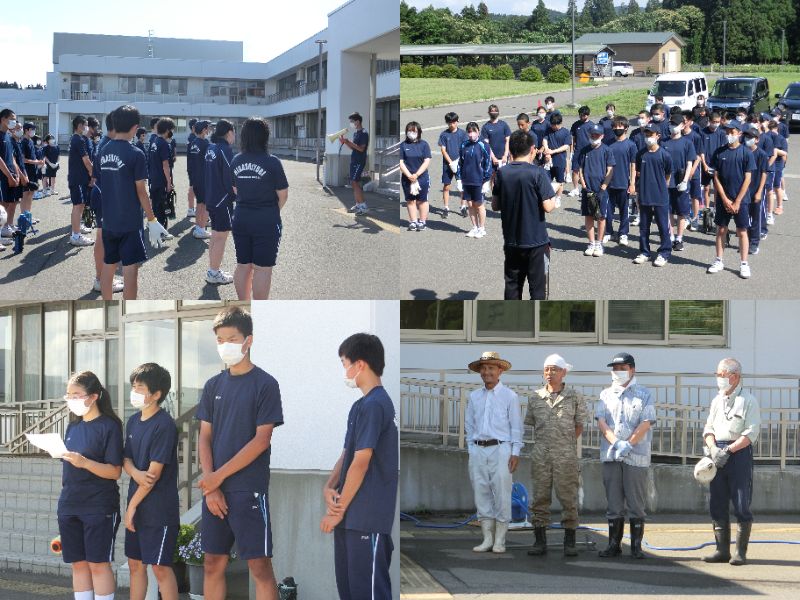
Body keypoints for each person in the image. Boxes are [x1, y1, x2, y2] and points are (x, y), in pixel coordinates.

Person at [195, 306, 284, 600]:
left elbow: (261, 440)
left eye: (232, 339)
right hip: (215, 491)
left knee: (259, 566)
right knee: (212, 563)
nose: (225, 346)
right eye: (220, 340)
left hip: (248, 490)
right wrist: (211, 486)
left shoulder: (266, 384)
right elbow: (204, 437)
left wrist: (216, 478)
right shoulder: (212, 386)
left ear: (249, 341)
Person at [320, 333, 398, 600]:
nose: (345, 370)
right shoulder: (359, 406)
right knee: (349, 591)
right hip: (350, 518)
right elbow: (348, 456)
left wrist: (337, 511)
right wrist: (329, 486)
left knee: (369, 593)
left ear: (360, 364)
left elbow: (362, 462)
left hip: (368, 519)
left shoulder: (377, 404)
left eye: (345, 363)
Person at [58, 370, 124, 600]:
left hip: (99, 505)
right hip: (70, 502)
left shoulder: (110, 426)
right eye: (68, 395)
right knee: (78, 563)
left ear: (93, 396)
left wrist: (84, 462)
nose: (71, 399)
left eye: (76, 394)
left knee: (98, 563)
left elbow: (115, 471)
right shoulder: (73, 427)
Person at [98, 104, 169, 300]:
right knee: (130, 270)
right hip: (130, 221)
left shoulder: (103, 150)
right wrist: (152, 219)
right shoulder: (136, 153)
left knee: (108, 264)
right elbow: (141, 191)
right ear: (135, 127)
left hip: (109, 220)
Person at [123, 363, 179, 600]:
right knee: (135, 564)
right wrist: (135, 473)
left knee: (160, 567)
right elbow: (126, 458)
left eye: (140, 387)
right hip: (137, 501)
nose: (135, 391)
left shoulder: (164, 425)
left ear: (156, 394)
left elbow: (153, 476)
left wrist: (132, 506)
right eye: (133, 386)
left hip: (158, 509)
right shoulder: (133, 421)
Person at [525, 354, 587, 558]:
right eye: (547, 369)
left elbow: (579, 425)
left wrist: (565, 443)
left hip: (565, 456)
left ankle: (569, 541)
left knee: (568, 497)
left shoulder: (574, 396)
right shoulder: (534, 397)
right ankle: (539, 540)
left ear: (563, 372)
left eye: (554, 369)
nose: (550, 373)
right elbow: (532, 423)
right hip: (541, 454)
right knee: (540, 498)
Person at [595, 353, 655, 560]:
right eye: (615, 368)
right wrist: (616, 442)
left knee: (636, 503)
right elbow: (601, 422)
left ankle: (637, 546)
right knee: (613, 502)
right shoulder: (605, 394)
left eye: (622, 368)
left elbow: (646, 422)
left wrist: (629, 443)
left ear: (632, 370)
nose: (617, 372)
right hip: (612, 454)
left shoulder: (644, 394)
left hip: (636, 456)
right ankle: (614, 544)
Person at [701, 358, 761, 566]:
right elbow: (708, 429)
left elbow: (750, 433)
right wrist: (714, 448)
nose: (718, 379)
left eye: (721, 375)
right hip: (718, 453)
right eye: (718, 375)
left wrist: (728, 450)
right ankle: (721, 550)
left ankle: (740, 552)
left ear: (734, 376)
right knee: (716, 501)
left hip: (739, 454)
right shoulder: (717, 400)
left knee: (741, 501)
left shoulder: (748, 400)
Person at [465, 351, 523, 554]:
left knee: (501, 493)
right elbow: (469, 425)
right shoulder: (474, 396)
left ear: (500, 371)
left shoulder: (510, 396)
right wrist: (471, 448)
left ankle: (500, 539)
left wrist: (515, 452)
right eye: (484, 368)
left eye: (491, 368)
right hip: (478, 449)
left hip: (501, 448)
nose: (487, 372)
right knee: (481, 492)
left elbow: (516, 427)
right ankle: (487, 538)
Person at [491, 129, 555, 299]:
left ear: (510, 150)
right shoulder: (537, 173)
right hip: (536, 242)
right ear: (533, 149)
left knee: (513, 286)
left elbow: (495, 205)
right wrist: (556, 193)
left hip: (512, 240)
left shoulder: (502, 173)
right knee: (538, 289)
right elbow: (548, 206)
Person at [230, 117, 289, 300]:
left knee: (243, 265)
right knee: (263, 268)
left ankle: (244, 305)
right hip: (266, 219)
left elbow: (235, 189)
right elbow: (283, 194)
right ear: (265, 137)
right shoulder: (272, 162)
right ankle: (260, 308)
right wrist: (272, 210)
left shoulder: (236, 160)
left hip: (240, 217)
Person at [707, 120, 754, 279]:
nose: (729, 135)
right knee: (721, 230)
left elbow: (748, 179)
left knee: (742, 231)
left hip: (741, 200)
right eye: (727, 132)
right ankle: (719, 260)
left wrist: (737, 201)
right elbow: (716, 177)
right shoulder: (719, 152)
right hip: (723, 200)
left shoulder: (746, 153)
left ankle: (744, 263)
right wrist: (725, 199)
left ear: (739, 133)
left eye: (732, 132)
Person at [90, 113, 124, 295]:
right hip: (105, 196)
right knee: (104, 238)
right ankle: (101, 280)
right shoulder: (109, 146)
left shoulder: (104, 143)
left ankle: (102, 278)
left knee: (103, 237)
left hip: (102, 193)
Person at [633, 123, 673, 267]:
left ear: (658, 136)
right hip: (644, 196)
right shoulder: (640, 154)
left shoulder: (664, 155)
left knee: (663, 226)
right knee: (644, 227)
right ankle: (644, 252)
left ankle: (664, 252)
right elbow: (638, 174)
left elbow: (668, 174)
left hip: (660, 196)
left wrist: (662, 186)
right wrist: (637, 193)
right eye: (646, 134)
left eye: (651, 135)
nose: (648, 137)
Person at [204, 119, 236, 285]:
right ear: (229, 132)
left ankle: (212, 270)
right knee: (221, 238)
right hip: (222, 200)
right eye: (234, 132)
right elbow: (231, 179)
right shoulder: (225, 150)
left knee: (216, 236)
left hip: (211, 198)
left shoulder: (211, 148)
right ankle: (214, 273)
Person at [577, 124, 615, 257]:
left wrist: (604, 186)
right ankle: (591, 242)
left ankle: (599, 243)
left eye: (596, 135)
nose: (594, 137)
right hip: (587, 189)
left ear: (602, 136)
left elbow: (610, 170)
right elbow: (580, 169)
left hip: (601, 190)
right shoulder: (584, 150)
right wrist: (583, 184)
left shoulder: (607, 150)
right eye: (592, 135)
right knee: (588, 216)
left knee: (601, 216)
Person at [661, 113, 696, 252]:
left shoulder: (687, 143)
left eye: (675, 124)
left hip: (680, 181)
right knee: (668, 210)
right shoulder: (663, 142)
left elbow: (689, 163)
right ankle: (670, 236)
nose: (672, 127)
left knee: (681, 212)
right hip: (666, 182)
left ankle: (679, 238)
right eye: (671, 124)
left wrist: (686, 180)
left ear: (682, 125)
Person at [605, 116, 637, 246]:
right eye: (615, 127)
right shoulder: (607, 143)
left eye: (620, 126)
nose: (617, 129)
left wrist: (632, 183)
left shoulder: (631, 145)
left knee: (624, 211)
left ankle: (623, 233)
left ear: (626, 128)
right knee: (607, 210)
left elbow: (633, 165)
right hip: (608, 183)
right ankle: (608, 232)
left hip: (624, 183)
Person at [457, 121, 492, 238]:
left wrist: (486, 180)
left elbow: (488, 163)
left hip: (479, 180)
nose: (471, 134)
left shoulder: (483, 145)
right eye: (469, 132)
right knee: (470, 204)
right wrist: (459, 179)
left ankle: (482, 228)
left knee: (479, 204)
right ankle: (474, 227)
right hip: (466, 180)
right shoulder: (463, 145)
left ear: (478, 132)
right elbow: (460, 163)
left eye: (473, 132)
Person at [68, 115, 95, 246]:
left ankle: (78, 228)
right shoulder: (78, 140)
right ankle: (76, 236)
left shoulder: (77, 139)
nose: (87, 128)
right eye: (85, 125)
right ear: (79, 126)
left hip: (80, 178)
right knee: (78, 206)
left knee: (80, 205)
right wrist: (93, 175)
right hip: (78, 179)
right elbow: (86, 161)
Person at [400, 121, 432, 231]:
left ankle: (422, 221)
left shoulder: (424, 144)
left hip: (422, 177)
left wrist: (416, 174)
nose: (411, 133)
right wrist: (409, 175)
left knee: (422, 200)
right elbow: (401, 162)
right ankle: (413, 221)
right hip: (407, 178)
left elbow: (427, 161)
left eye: (414, 131)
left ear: (419, 132)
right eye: (409, 131)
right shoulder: (403, 145)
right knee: (410, 200)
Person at [743, 126, 768, 258]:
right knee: (745, 218)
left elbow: (764, 174)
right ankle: (746, 240)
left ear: (757, 140)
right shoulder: (743, 152)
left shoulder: (762, 154)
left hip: (756, 190)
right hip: (744, 191)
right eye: (746, 137)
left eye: (750, 137)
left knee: (756, 218)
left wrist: (759, 191)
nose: (747, 140)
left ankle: (754, 243)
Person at [438, 112, 468, 218]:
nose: (452, 125)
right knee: (446, 186)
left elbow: (465, 148)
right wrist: (450, 162)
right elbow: (443, 150)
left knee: (462, 186)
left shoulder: (463, 134)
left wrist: (459, 161)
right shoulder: (444, 135)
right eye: (450, 123)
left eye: (454, 122)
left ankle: (463, 206)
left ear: (457, 121)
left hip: (460, 163)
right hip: (448, 164)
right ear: (447, 123)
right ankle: (446, 207)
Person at [147, 118, 175, 234]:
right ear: (167, 129)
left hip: (153, 179)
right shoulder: (163, 144)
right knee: (162, 207)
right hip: (161, 181)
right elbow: (165, 165)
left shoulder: (154, 141)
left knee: (156, 206)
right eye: (171, 129)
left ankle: (154, 229)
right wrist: (169, 183)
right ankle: (161, 232)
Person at [341, 112, 369, 215]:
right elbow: (353, 147)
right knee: (353, 183)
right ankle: (358, 204)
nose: (351, 123)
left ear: (358, 121)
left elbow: (361, 149)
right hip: (354, 160)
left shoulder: (364, 133)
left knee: (355, 182)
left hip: (359, 161)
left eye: (352, 121)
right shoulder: (356, 133)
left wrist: (348, 142)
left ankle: (363, 206)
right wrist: (345, 142)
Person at [0, 109, 21, 244]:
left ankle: (4, 231)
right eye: (12, 118)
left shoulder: (7, 135)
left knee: (7, 203)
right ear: (3, 118)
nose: (14, 121)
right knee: (1, 206)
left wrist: (17, 174)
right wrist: (9, 175)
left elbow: (12, 157)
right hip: (2, 176)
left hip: (11, 175)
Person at [188, 120, 212, 239]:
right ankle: (201, 229)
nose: (209, 131)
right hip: (204, 178)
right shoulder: (205, 144)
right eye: (208, 129)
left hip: (195, 178)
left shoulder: (192, 143)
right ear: (203, 130)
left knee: (200, 204)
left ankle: (199, 227)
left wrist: (191, 178)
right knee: (205, 205)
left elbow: (189, 163)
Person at [682, 110, 705, 232]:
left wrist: (692, 171)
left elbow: (699, 156)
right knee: (683, 195)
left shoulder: (695, 137)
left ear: (690, 122)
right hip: (682, 171)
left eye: (684, 121)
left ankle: (695, 218)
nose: (682, 123)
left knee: (695, 196)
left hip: (694, 172)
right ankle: (685, 217)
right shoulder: (678, 135)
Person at [542, 113, 571, 208]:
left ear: (560, 123)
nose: (554, 127)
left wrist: (553, 151)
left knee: (560, 181)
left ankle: (558, 197)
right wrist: (546, 150)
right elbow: (545, 140)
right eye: (552, 125)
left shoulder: (566, 132)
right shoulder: (548, 130)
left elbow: (566, 146)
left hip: (560, 160)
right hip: (548, 160)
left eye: (556, 125)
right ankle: (549, 197)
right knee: (546, 180)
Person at [480, 104, 511, 184]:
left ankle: (503, 195)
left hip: (504, 157)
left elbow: (508, 140)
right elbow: (486, 144)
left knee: (505, 178)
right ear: (488, 112)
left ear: (498, 112)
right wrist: (493, 157)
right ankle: (493, 196)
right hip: (492, 158)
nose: (493, 112)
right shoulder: (486, 127)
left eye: (495, 111)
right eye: (492, 111)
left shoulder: (503, 125)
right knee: (493, 177)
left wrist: (505, 155)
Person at [568, 106, 594, 197]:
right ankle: (575, 189)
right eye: (580, 115)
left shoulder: (592, 126)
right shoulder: (575, 125)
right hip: (578, 151)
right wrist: (571, 151)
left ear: (588, 115)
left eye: (583, 115)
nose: (581, 117)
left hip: (589, 151)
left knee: (588, 171)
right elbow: (572, 138)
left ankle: (586, 188)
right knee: (575, 170)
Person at [766, 119, 788, 224]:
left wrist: (775, 151)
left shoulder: (781, 139)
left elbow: (784, 153)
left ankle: (780, 206)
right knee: (768, 188)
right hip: (768, 165)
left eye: (772, 130)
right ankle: (767, 207)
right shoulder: (766, 136)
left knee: (776, 186)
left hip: (777, 165)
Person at [21, 122, 43, 219]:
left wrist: (38, 162)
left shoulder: (30, 141)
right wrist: (36, 162)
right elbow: (23, 159)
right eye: (32, 129)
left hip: (33, 172)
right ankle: (24, 217)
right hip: (26, 172)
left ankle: (28, 215)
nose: (34, 131)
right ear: (26, 130)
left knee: (31, 193)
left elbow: (33, 157)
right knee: (25, 194)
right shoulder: (23, 142)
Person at [186, 118, 198, 217]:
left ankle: (191, 208)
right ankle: (191, 209)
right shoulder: (193, 138)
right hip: (193, 167)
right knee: (193, 187)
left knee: (192, 187)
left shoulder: (192, 137)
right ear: (193, 127)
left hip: (192, 167)